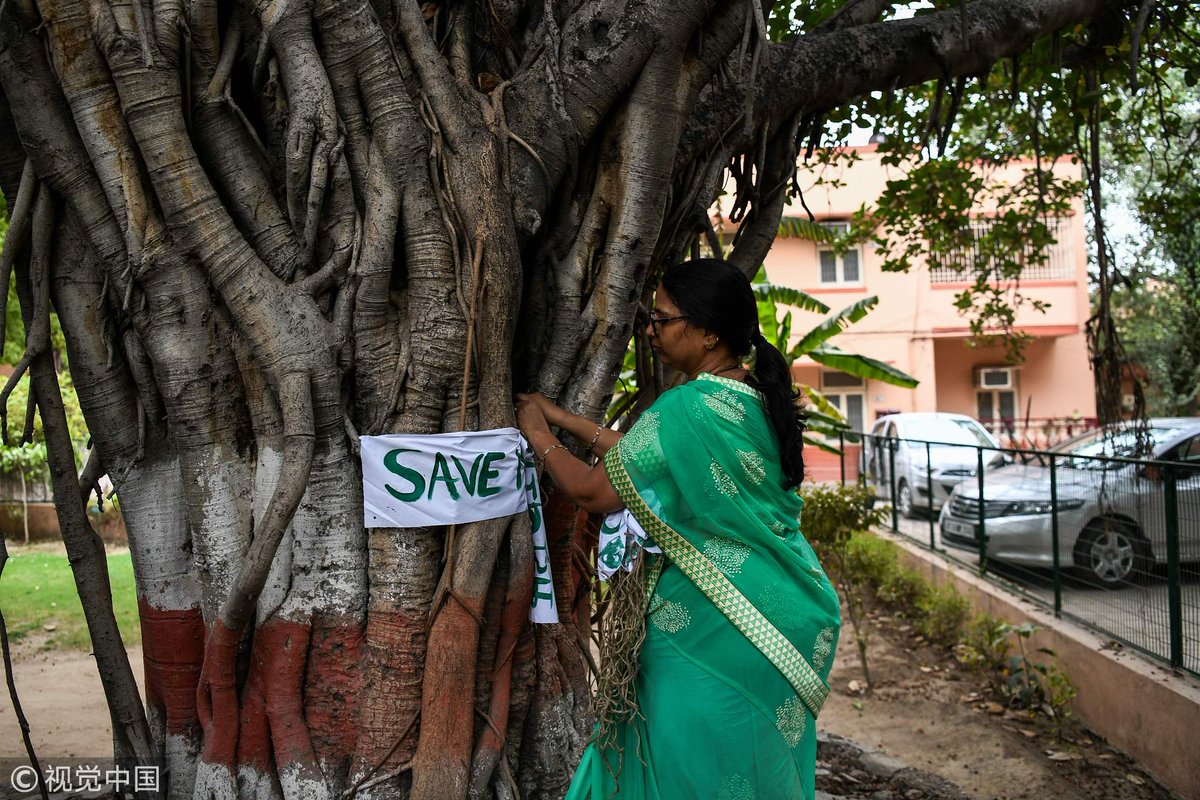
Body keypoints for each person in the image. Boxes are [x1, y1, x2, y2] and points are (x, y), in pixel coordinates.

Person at [515, 258, 840, 800]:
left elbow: (594, 491)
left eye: (661, 319)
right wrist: (566, 420)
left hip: (716, 624)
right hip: (788, 614)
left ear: (709, 332)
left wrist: (536, 433)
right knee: (750, 771)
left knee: (690, 769)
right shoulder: (755, 400)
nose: (650, 330)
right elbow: (656, 461)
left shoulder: (686, 406)